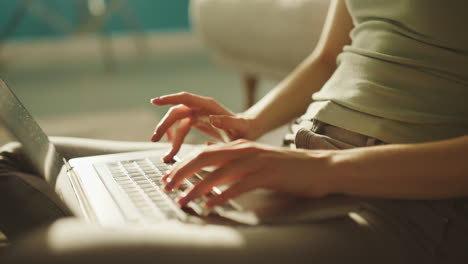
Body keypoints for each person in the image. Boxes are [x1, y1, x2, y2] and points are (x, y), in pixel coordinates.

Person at [1, 0, 467, 263]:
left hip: (401, 205)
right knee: (16, 161)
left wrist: (324, 169)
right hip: (298, 163)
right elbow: (328, 58)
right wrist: (249, 124)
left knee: (51, 250)